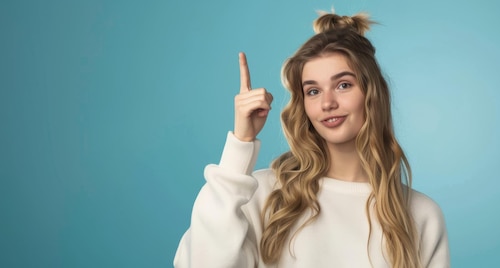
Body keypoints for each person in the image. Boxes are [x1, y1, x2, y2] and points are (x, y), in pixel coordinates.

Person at [174, 11, 450, 268]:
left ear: (372, 93)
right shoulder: (265, 194)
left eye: (343, 85)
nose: (327, 103)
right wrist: (240, 144)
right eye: (313, 91)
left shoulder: (421, 215)